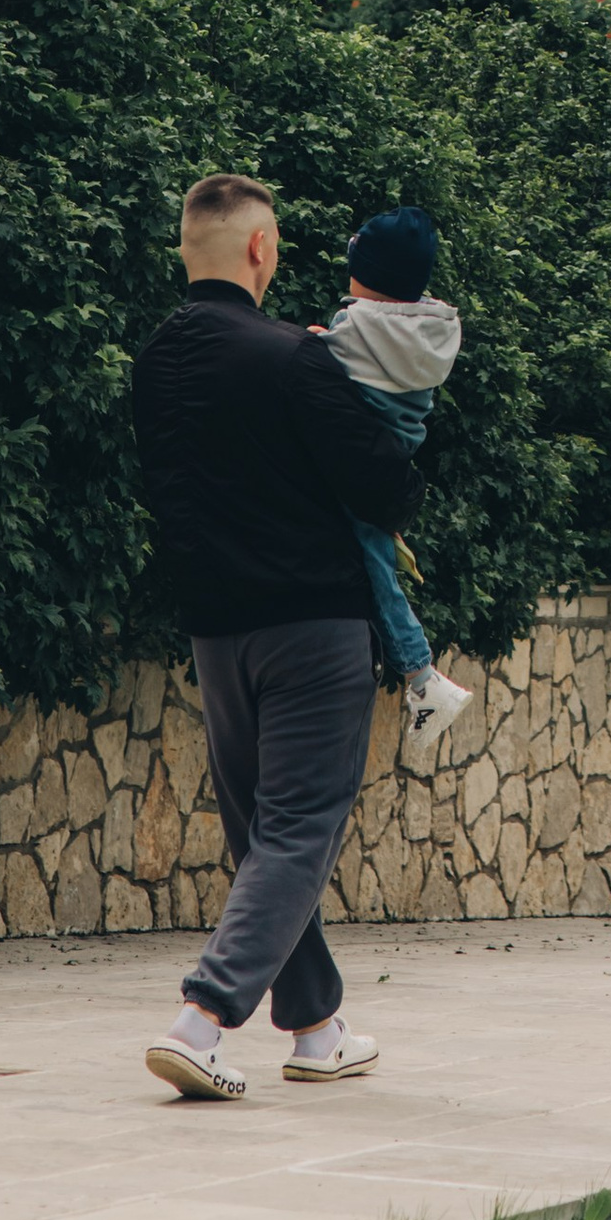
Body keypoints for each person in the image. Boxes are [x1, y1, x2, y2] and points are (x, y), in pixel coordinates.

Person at [130, 170, 423, 1102]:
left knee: (267, 833)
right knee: (300, 829)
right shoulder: (295, 358)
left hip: (216, 633)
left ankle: (319, 1028)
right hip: (312, 627)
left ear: (188, 247)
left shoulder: (154, 363)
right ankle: (204, 1020)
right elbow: (387, 487)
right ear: (261, 248)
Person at [317, 203, 476, 756]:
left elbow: (327, 368)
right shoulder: (432, 323)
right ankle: (422, 677)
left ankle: (422, 676)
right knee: (381, 558)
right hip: (401, 447)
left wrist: (317, 342)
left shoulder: (356, 324)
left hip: (367, 462)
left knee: (376, 569)